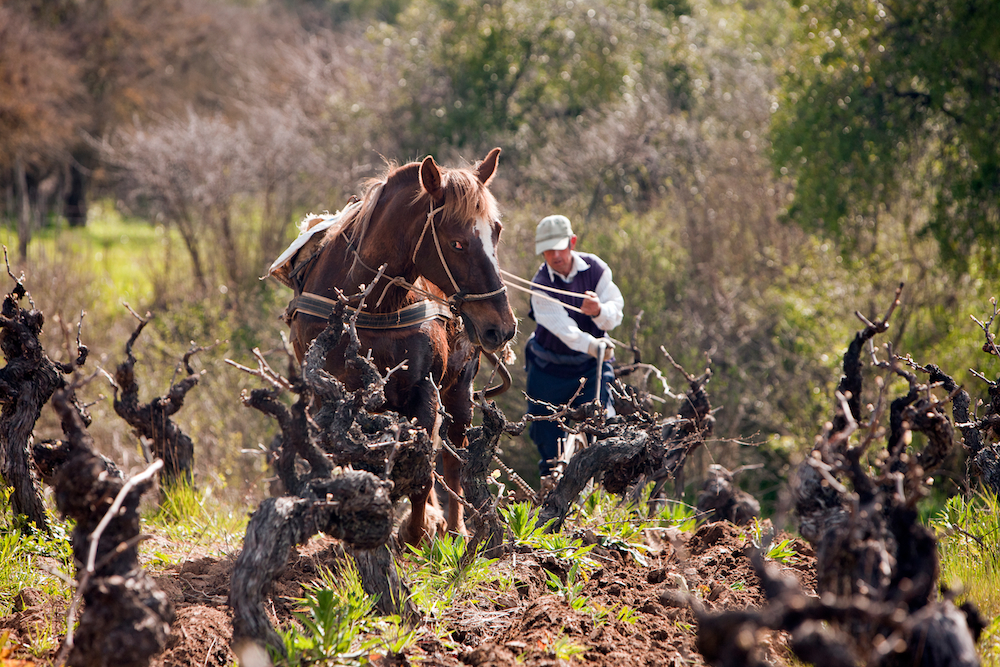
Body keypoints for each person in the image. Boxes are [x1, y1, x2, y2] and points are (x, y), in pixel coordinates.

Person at [524, 214, 624, 478]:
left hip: (590, 369)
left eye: (560, 247)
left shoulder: (596, 269)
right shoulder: (540, 286)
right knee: (547, 440)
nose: (555, 255)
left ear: (572, 242)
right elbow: (564, 330)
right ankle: (551, 488)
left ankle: (598, 488)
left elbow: (616, 313)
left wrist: (599, 310)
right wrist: (594, 346)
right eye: (548, 250)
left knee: (600, 426)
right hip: (548, 370)